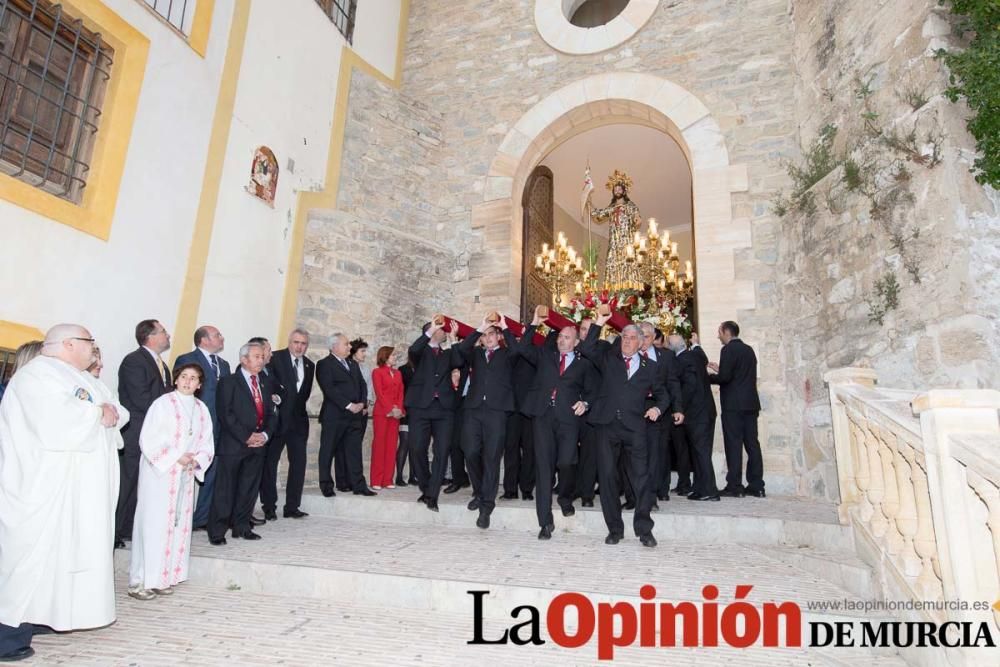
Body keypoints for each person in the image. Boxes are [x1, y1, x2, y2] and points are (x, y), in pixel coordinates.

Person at [0, 324, 128, 662]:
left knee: (59, 558)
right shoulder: (37, 376)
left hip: (73, 492)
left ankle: (42, 615)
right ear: (69, 343)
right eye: (89, 341)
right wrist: (97, 414)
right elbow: (54, 423)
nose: (93, 347)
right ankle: (7, 636)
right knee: (28, 559)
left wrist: (105, 413)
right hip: (42, 489)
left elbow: (114, 408)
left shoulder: (78, 376)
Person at [579, 314, 667, 548]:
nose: (627, 341)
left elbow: (663, 394)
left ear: (640, 342)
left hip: (635, 428)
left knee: (641, 478)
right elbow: (587, 347)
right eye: (624, 337)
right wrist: (599, 320)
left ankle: (644, 529)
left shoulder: (651, 367)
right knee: (607, 477)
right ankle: (615, 529)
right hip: (607, 426)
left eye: (631, 338)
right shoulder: (609, 358)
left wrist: (658, 408)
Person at [128, 363, 214, 599]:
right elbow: (149, 439)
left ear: (199, 384)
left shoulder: (201, 409)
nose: (188, 381)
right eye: (184, 377)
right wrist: (176, 457)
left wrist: (195, 460)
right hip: (160, 474)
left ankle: (164, 577)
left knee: (176, 525)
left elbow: (207, 442)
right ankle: (141, 580)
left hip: (185, 475)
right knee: (153, 524)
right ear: (176, 380)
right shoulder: (162, 404)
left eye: (193, 378)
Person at [518, 313, 596, 540]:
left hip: (568, 420)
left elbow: (592, 391)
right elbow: (523, 347)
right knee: (543, 468)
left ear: (576, 342)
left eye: (567, 337)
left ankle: (564, 497)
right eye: (560, 336)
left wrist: (586, 403)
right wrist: (533, 323)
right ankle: (545, 522)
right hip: (542, 417)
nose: (562, 340)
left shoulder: (584, 364)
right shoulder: (545, 355)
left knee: (567, 462)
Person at [455, 314, 521, 530]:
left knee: (492, 457)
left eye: (491, 334)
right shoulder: (474, 353)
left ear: (498, 336)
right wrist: (480, 326)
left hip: (497, 411)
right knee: (470, 451)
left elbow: (517, 349)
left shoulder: (507, 354)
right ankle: (480, 490)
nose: (488, 338)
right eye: (484, 336)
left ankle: (486, 506)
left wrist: (504, 326)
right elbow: (461, 350)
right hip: (473, 409)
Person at [208, 342, 277, 544]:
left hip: (258, 445)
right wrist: (246, 436)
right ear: (244, 359)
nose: (261, 359)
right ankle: (217, 531)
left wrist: (264, 435)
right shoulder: (228, 382)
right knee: (225, 490)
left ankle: (242, 526)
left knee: (248, 489)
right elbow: (225, 413)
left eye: (262, 356)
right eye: (256, 356)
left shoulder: (266, 382)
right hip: (234, 445)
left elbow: (272, 413)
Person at [116, 319, 172, 549]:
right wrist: (168, 414)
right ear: (150, 336)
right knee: (126, 484)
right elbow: (141, 399)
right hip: (136, 433)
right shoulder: (134, 361)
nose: (168, 335)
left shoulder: (161, 364)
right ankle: (114, 531)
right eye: (163, 331)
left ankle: (129, 528)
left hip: (152, 434)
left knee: (141, 485)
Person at [174, 325, 231, 530]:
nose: (221, 337)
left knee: (212, 473)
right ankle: (178, 518)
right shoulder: (187, 359)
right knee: (185, 473)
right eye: (217, 335)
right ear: (204, 340)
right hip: (193, 427)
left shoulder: (224, 365)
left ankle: (203, 518)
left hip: (217, 427)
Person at [405, 319, 464, 511]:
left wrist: (454, 340)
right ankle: (426, 486)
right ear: (431, 331)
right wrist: (431, 329)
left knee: (442, 451)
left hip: (444, 408)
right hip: (420, 407)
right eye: (441, 329)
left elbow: (459, 361)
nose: (444, 331)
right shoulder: (420, 352)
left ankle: (432, 495)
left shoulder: (448, 353)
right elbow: (413, 349)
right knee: (416, 448)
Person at [260, 328, 314, 519]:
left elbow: (303, 394)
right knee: (270, 463)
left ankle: (292, 506)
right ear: (289, 342)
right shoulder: (275, 358)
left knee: (298, 464)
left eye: (303, 343)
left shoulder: (309, 365)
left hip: (299, 423)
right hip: (277, 421)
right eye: (296, 342)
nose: (299, 347)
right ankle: (269, 506)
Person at [709, 321, 764, 498]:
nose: (718, 336)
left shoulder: (728, 350)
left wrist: (708, 377)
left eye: (719, 333)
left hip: (734, 405)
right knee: (752, 444)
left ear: (726, 332)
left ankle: (735, 485)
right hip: (750, 404)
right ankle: (757, 485)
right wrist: (720, 369)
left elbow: (725, 378)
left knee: (733, 445)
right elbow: (738, 374)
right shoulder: (748, 350)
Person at [316, 333, 373, 497]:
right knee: (328, 451)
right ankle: (326, 486)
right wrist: (349, 405)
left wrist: (362, 403)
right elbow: (329, 389)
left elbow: (362, 385)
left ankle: (359, 485)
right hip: (334, 416)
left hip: (354, 417)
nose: (349, 347)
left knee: (354, 452)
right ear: (334, 347)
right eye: (346, 344)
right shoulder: (324, 364)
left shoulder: (352, 364)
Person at [636, 322, 683, 511]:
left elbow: (673, 384)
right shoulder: (630, 356)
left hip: (660, 409)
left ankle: (653, 494)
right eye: (640, 336)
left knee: (656, 455)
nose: (643, 340)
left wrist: (678, 409)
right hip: (636, 410)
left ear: (654, 337)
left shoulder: (667, 356)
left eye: (646, 336)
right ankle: (635, 495)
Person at [669, 333, 719, 501]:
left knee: (701, 453)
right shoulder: (696, 355)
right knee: (699, 452)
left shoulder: (682, 361)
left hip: (697, 414)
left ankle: (710, 491)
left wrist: (679, 407)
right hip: (706, 412)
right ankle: (700, 487)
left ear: (671, 348)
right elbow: (702, 356)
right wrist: (696, 343)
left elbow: (689, 385)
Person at [587, 170, 643, 289]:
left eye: (619, 189)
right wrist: (589, 204)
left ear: (624, 190)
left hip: (626, 240)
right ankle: (614, 288)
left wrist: (637, 220)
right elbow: (599, 215)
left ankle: (629, 287)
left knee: (628, 261)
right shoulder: (611, 207)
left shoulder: (630, 205)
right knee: (612, 261)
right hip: (614, 241)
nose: (617, 191)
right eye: (615, 189)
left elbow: (637, 217)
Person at [370, 346, 405, 489]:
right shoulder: (377, 372)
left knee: (392, 446)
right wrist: (390, 409)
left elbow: (401, 393)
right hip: (382, 413)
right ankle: (376, 480)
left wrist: (399, 409)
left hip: (395, 414)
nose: (395, 357)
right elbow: (380, 393)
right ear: (384, 356)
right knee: (379, 446)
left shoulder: (397, 373)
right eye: (392, 355)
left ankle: (388, 479)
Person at [395, 356, 417, 486]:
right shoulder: (402, 370)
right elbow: (399, 390)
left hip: (420, 412)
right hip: (406, 410)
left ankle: (413, 476)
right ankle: (398, 476)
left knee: (416, 445)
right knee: (405, 442)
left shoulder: (423, 369)